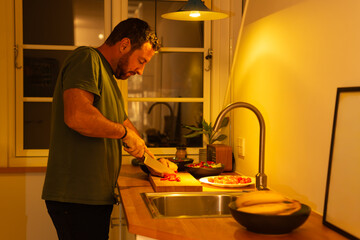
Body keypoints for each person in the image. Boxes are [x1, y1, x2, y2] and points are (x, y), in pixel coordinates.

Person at [42, 18, 176, 240]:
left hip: (91, 197)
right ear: (124, 45)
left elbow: (125, 126)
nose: (141, 71)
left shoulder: (109, 79)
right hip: (76, 198)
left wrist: (153, 161)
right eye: (141, 61)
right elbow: (77, 116)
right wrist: (124, 135)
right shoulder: (86, 59)